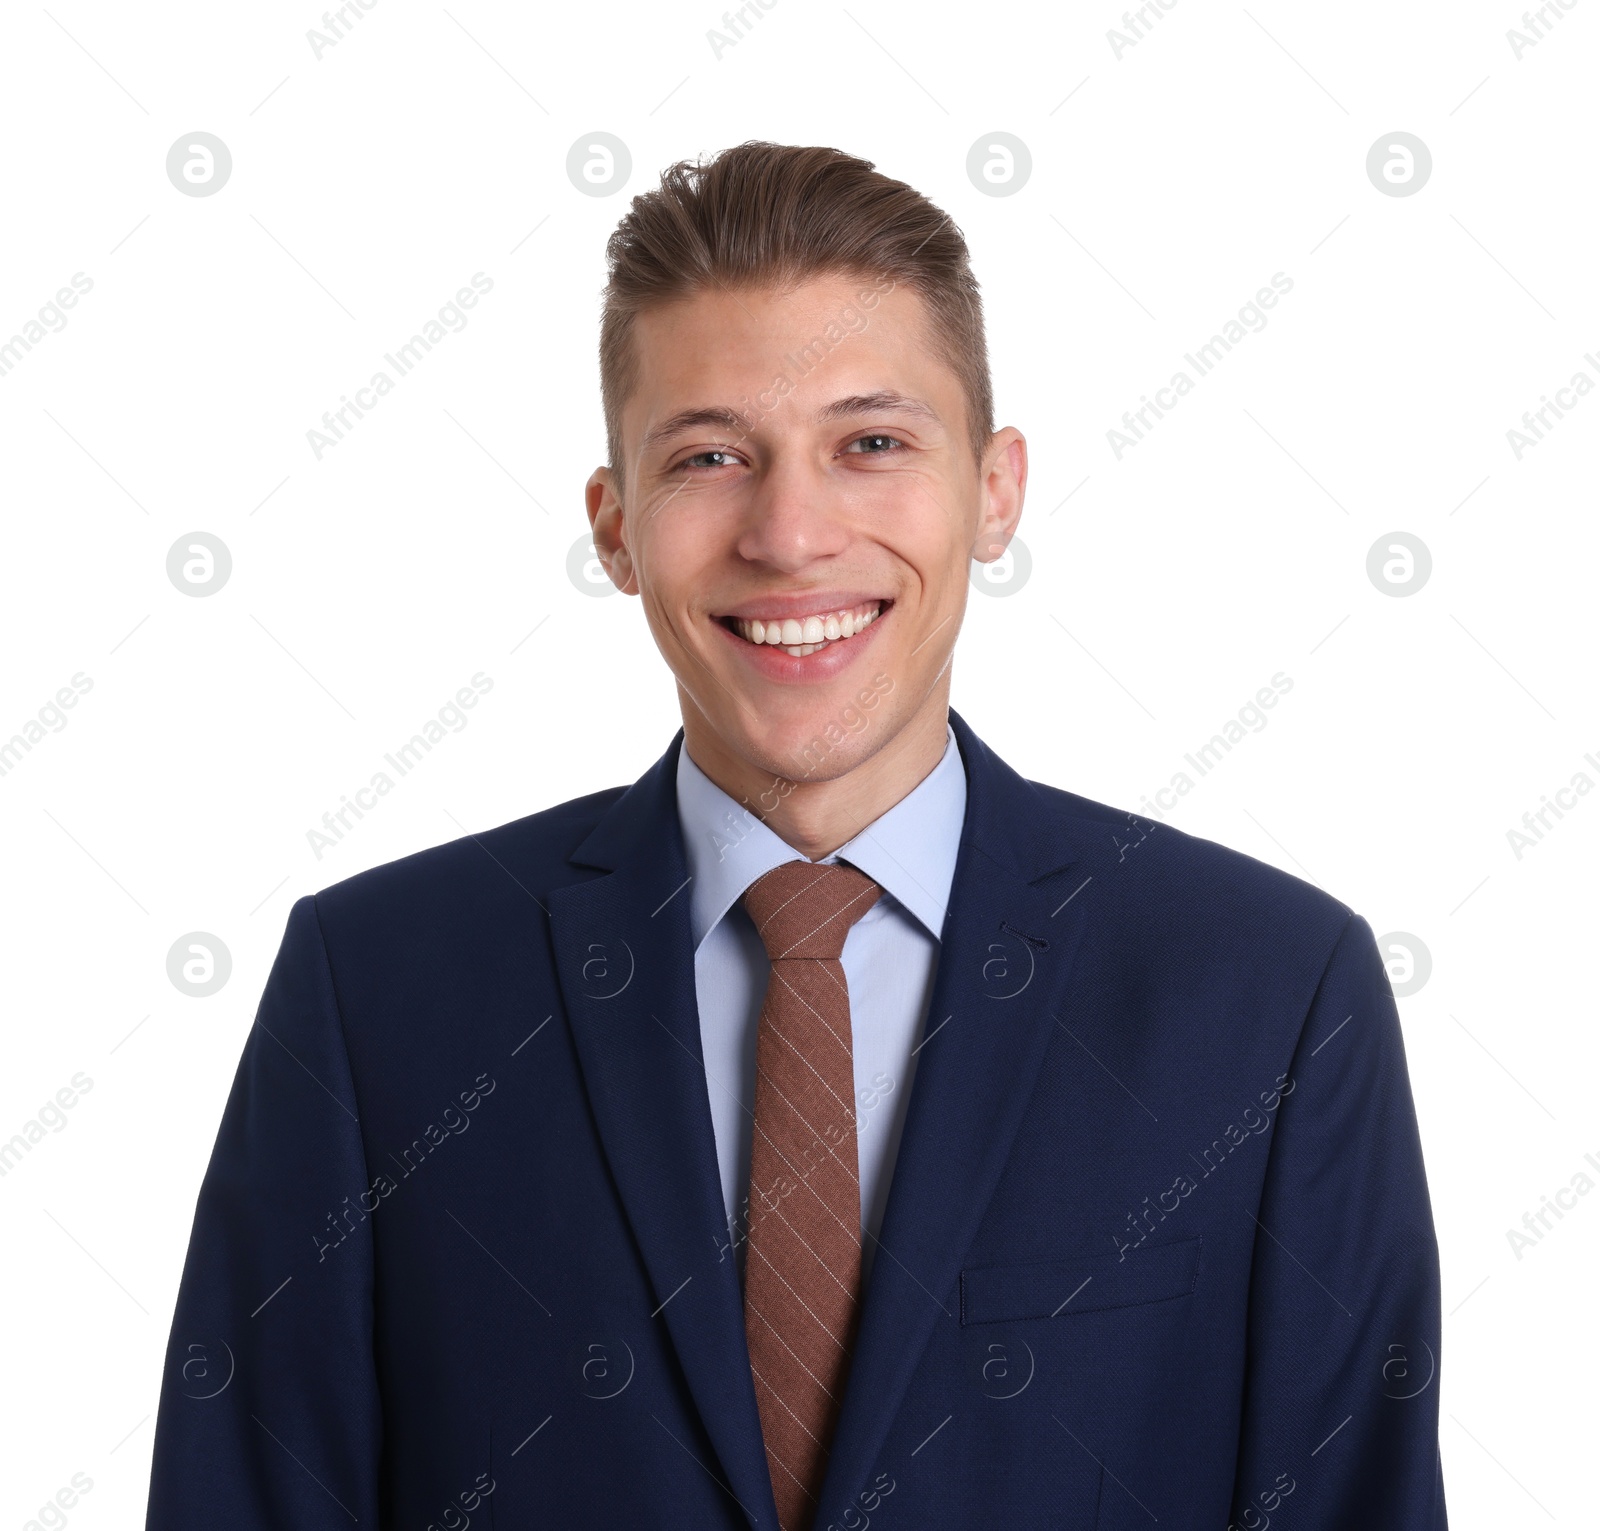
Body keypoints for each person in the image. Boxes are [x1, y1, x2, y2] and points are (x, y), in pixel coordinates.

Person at [145, 141, 1447, 1530]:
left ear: (995, 491)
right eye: (710, 457)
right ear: (615, 524)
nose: (789, 531)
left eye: (870, 444)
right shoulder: (375, 988)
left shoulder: (1269, 994)